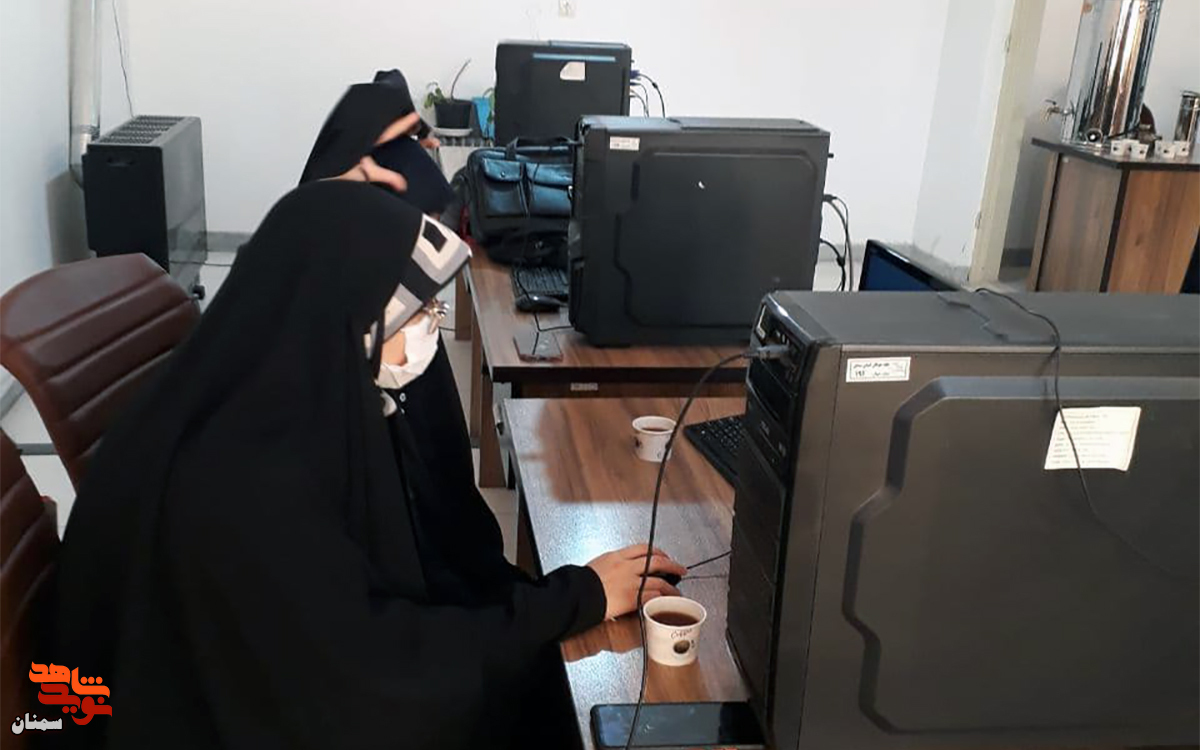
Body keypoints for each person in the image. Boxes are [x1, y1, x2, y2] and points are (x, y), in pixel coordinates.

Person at [54, 121, 685, 746]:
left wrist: (557, 602)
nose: (430, 330)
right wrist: (573, 601)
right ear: (342, 325)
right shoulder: (250, 483)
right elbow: (376, 684)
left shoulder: (284, 392)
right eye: (418, 314)